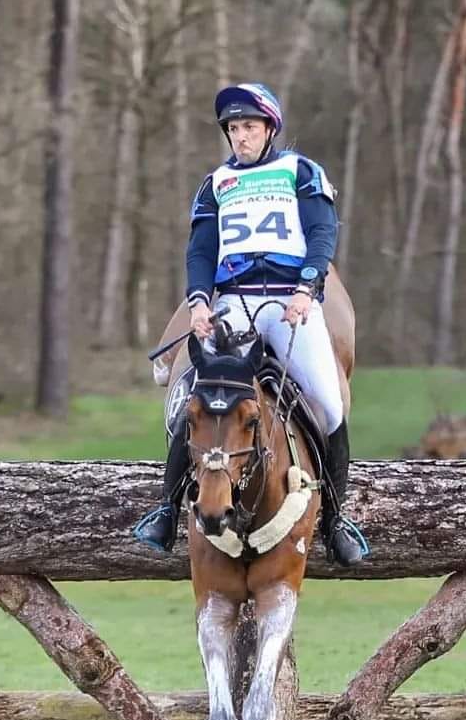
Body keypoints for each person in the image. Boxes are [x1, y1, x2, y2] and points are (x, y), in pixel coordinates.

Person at [132, 82, 368, 566]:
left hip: (288, 303)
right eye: (234, 128)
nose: (241, 136)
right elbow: (200, 251)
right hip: (234, 302)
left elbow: (323, 233)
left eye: (249, 127)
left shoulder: (301, 172)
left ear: (269, 129)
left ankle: (336, 519)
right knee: (196, 402)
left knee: (328, 402)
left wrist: (306, 288)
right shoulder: (215, 184)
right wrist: (199, 301)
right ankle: (167, 509)